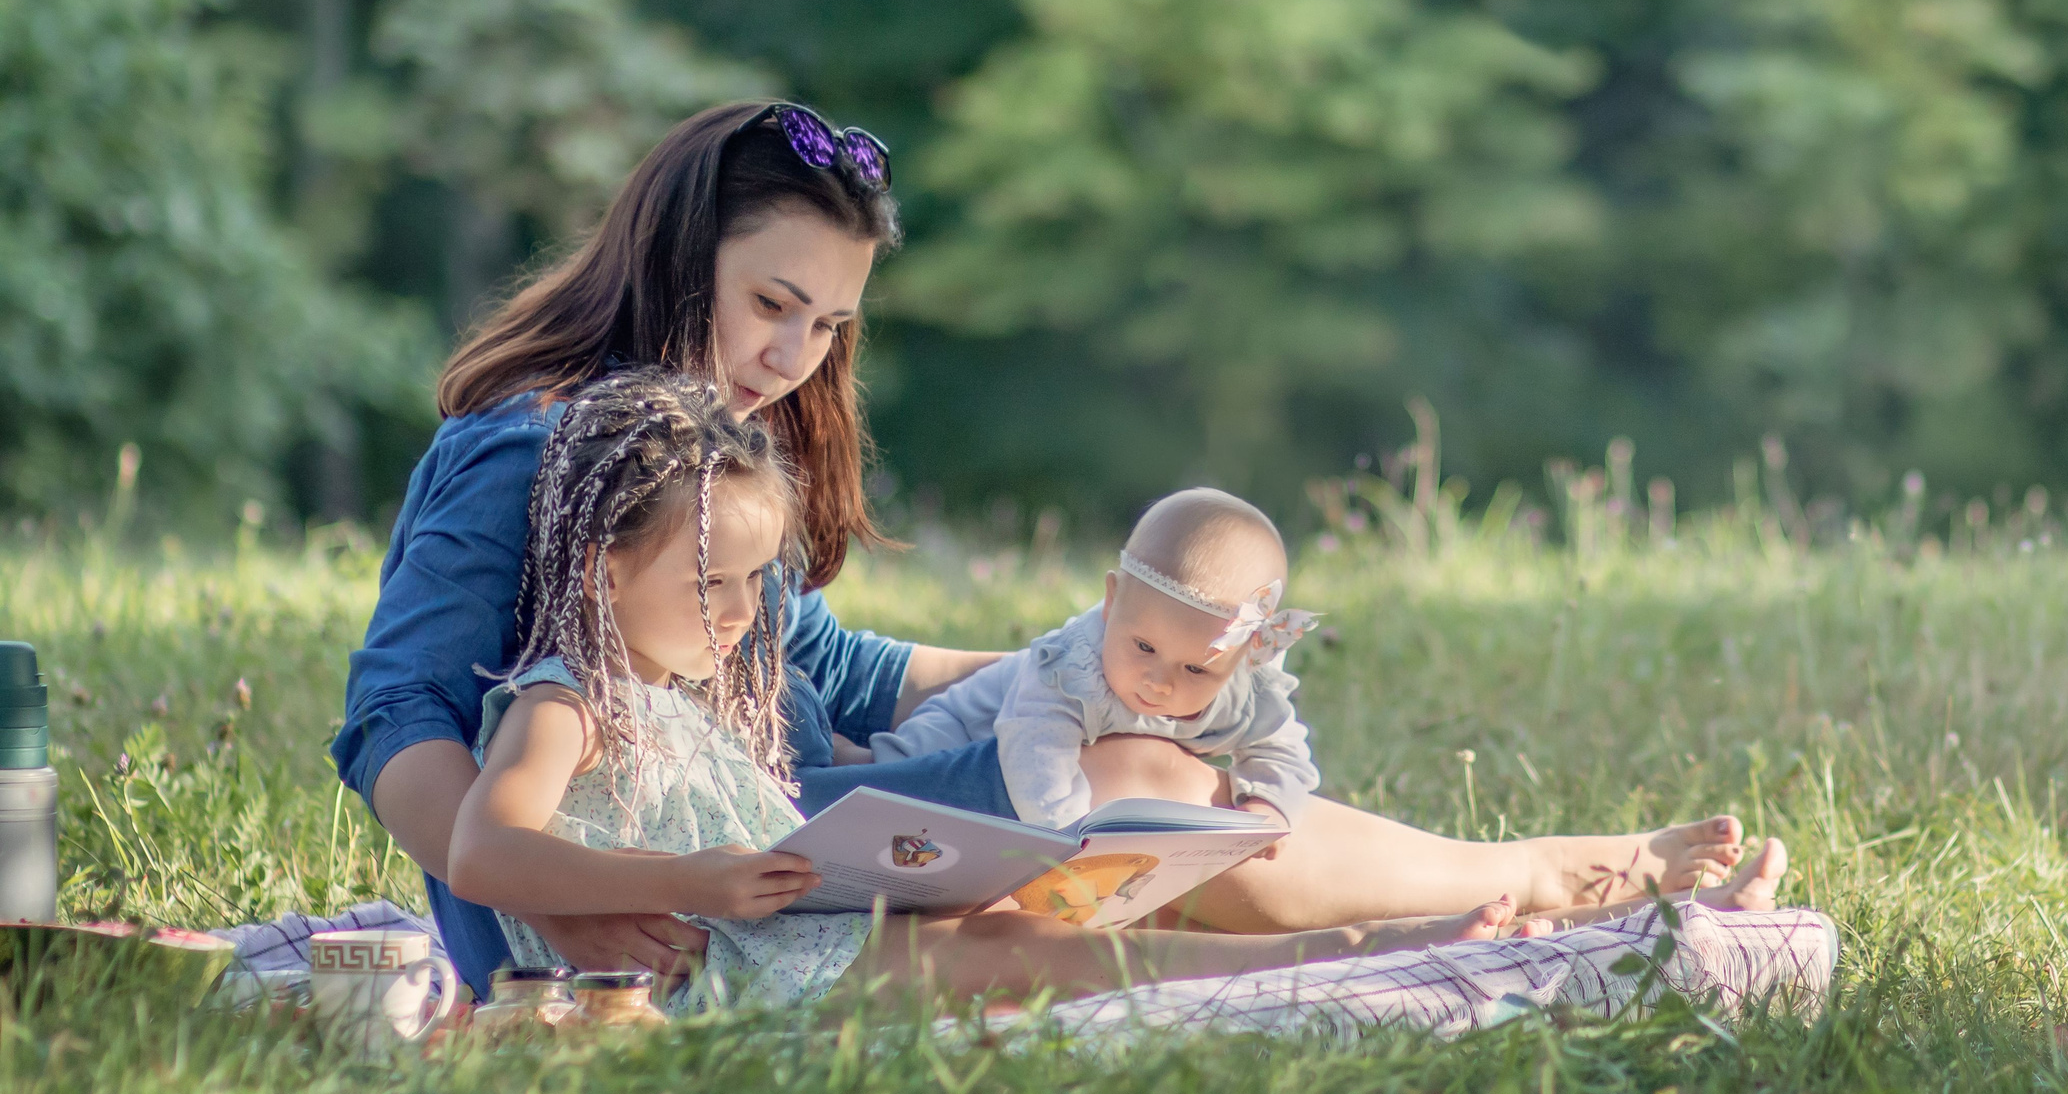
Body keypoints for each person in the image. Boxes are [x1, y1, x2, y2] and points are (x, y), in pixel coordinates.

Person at [333, 100, 1790, 1003]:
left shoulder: (723, 452)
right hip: (616, 904)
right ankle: (1540, 886)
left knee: (1145, 760)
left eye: (830, 322)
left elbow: (830, 667)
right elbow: (399, 711)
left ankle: (1528, 885)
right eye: (772, 302)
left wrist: (1108, 667)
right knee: (1134, 784)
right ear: (675, 257)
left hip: (783, 818)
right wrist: (569, 911)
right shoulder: (544, 446)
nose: (793, 354)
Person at [449, 368, 1758, 1012]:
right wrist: (691, 882)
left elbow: (829, 700)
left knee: (1041, 922)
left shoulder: (688, 694)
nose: (743, 620)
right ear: (602, 563)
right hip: (740, 968)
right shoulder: (568, 694)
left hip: (798, 929)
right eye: (711, 587)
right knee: (1026, 962)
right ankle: (1376, 945)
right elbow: (485, 844)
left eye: (752, 587)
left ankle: (1396, 933)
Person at [865, 487, 1319, 834]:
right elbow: (1037, 756)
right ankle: (861, 762)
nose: (1158, 682)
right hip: (973, 728)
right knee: (910, 777)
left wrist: (1269, 806)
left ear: (1242, 658)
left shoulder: (1245, 693)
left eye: (1196, 669)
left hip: (1079, 769)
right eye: (1143, 647)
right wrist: (1070, 837)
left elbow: (1283, 747)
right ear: (1111, 601)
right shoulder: (1070, 671)